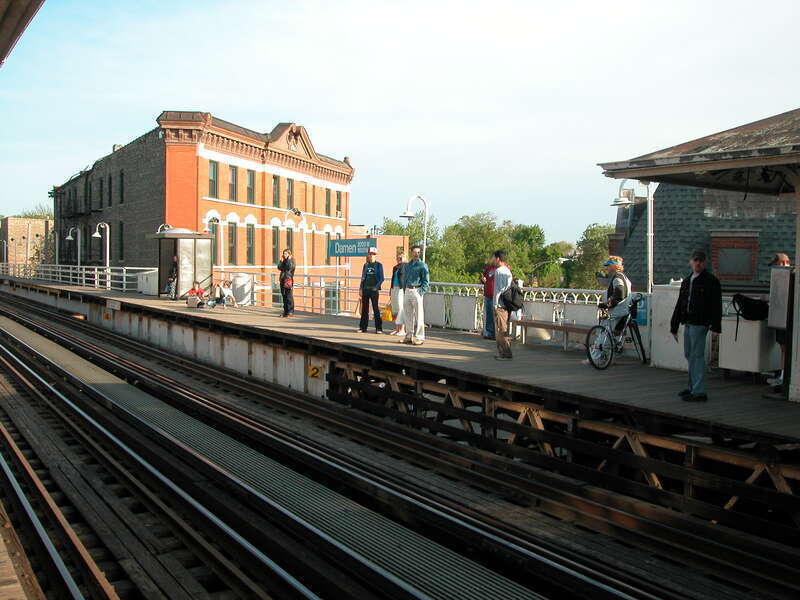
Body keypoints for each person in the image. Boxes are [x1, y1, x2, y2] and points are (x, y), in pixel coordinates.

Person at [670, 250, 722, 402]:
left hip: (701, 322)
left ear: (704, 263)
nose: (698, 263)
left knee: (697, 356)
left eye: (701, 260)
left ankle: (699, 391)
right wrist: (674, 325)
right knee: (689, 354)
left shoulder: (710, 281)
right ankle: (692, 387)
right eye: (695, 260)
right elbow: (680, 304)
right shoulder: (687, 281)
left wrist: (715, 327)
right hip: (688, 322)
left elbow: (716, 305)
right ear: (690, 262)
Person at [767, 253, 791, 388]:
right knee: (782, 348)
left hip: (785, 319)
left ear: (782, 263)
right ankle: (782, 375)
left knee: (785, 348)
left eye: (775, 264)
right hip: (780, 318)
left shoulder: (788, 277)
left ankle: (784, 376)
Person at [401, 245, 429, 345]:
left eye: (418, 252)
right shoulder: (408, 265)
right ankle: (408, 336)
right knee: (408, 315)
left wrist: (421, 292)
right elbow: (405, 278)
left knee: (419, 315)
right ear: (411, 253)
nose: (416, 254)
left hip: (417, 290)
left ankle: (419, 337)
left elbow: (426, 280)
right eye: (415, 252)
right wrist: (405, 289)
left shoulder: (422, 265)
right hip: (408, 290)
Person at [492, 250, 514, 360]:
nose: (492, 260)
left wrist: (495, 304)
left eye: (493, 258)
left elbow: (498, 290)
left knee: (501, 330)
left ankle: (506, 354)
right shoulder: (508, 271)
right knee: (503, 328)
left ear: (498, 259)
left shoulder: (499, 271)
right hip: (507, 304)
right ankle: (503, 353)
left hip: (500, 304)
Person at [358, 247, 385, 333]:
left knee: (375, 309)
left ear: (375, 255)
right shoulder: (365, 265)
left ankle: (379, 328)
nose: (371, 256)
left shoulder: (379, 265)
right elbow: (363, 278)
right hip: (365, 289)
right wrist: (360, 288)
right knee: (364, 309)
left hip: (374, 290)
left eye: (373, 254)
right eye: (370, 254)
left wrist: (376, 287)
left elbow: (382, 278)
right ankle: (363, 328)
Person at [602, 256, 632, 333]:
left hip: (617, 310)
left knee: (606, 333)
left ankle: (602, 345)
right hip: (625, 309)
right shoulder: (624, 277)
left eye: (608, 266)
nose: (607, 268)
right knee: (616, 334)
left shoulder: (617, 277)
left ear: (613, 266)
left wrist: (610, 303)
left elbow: (620, 291)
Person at [389, 251, 407, 337]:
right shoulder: (395, 267)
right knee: (395, 309)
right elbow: (393, 279)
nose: (399, 259)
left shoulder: (405, 266)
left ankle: (402, 329)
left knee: (401, 308)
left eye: (401, 258)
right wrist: (390, 290)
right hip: (394, 288)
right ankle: (397, 329)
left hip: (401, 289)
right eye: (398, 258)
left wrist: (403, 262)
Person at [480, 258, 497, 340]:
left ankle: (497, 334)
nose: (491, 260)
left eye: (493, 258)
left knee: (497, 315)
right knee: (489, 315)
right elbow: (482, 279)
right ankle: (489, 333)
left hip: (497, 296)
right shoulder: (488, 268)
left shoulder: (502, 268)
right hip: (488, 295)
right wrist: (483, 280)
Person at [278, 249, 295, 317]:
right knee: (284, 296)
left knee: (289, 297)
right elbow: (279, 268)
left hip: (288, 280)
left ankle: (290, 312)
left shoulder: (292, 261)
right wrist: (280, 261)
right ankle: (285, 312)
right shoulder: (284, 261)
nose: (284, 255)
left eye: (285, 254)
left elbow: (289, 268)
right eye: (283, 254)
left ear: (289, 254)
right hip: (282, 280)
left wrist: (288, 260)